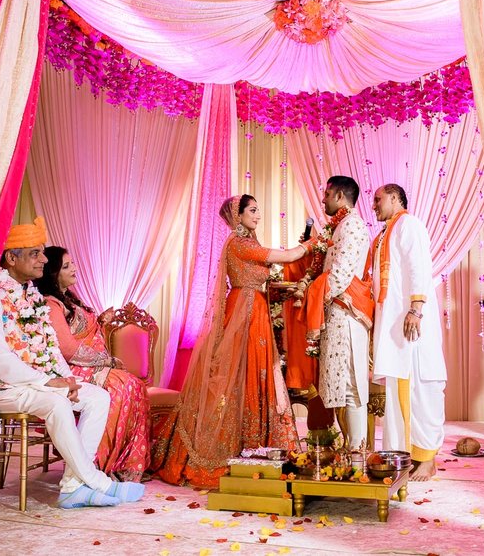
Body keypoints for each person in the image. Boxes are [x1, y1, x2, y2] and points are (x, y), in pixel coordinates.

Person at [0, 217, 144, 508]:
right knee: (57, 403)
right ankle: (96, 482)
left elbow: (49, 347)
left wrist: (64, 378)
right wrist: (49, 382)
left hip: (33, 382)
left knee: (97, 396)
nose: (44, 259)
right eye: (35, 253)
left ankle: (73, 486)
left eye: (42, 252)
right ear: (11, 258)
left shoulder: (31, 295)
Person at [149, 195, 306, 488]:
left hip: (254, 309)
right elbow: (286, 256)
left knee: (254, 374)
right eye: (253, 211)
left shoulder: (249, 244)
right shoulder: (239, 244)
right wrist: (313, 243)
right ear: (239, 216)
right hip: (244, 311)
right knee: (237, 377)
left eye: (259, 210)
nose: (258, 216)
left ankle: (257, 445)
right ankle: (236, 447)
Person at [35, 247, 151, 482]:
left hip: (90, 366)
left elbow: (80, 332)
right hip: (73, 369)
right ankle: (99, 464)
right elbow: (68, 348)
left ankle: (126, 462)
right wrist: (107, 361)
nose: (74, 268)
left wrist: (99, 322)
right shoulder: (50, 304)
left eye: (72, 263)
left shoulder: (68, 299)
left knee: (134, 386)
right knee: (123, 386)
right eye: (66, 266)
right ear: (53, 273)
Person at [369, 184, 447, 481]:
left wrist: (416, 308)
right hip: (395, 326)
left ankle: (426, 458)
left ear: (394, 198)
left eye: (378, 199)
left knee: (420, 388)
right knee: (401, 388)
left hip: (412, 322)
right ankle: (406, 454)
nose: (374, 205)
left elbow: (419, 267)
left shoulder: (408, 225)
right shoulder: (385, 234)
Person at [293, 176, 373, 449]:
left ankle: (357, 455)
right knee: (338, 389)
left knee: (350, 388)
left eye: (327, 194)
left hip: (347, 316)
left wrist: (311, 292)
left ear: (340, 196)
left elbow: (338, 276)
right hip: (335, 316)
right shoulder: (338, 227)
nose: (323, 199)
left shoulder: (352, 227)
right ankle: (349, 453)